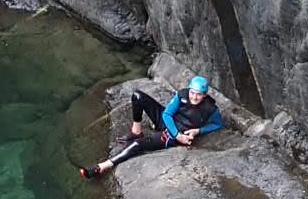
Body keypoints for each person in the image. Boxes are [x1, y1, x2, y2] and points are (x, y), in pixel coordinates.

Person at [80, 75, 223, 179]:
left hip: (174, 135)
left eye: (198, 95)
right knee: (137, 96)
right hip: (168, 123)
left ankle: (104, 166)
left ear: (204, 95)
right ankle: (136, 131)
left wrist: (197, 131)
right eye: (193, 93)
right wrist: (176, 133)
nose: (194, 97)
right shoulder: (183, 95)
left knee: (137, 145)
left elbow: (217, 124)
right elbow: (167, 114)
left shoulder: (210, 108)